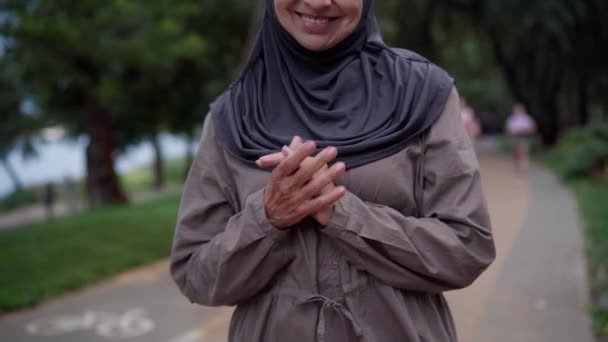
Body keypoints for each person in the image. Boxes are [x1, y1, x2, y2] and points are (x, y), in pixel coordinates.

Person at [170, 1, 496, 341]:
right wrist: (268, 218)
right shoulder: (234, 116)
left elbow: (468, 248)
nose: (319, 1)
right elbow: (195, 274)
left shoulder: (421, 93)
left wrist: (343, 214)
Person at [506, 102, 536, 172]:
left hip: (523, 137)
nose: (518, 111)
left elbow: (532, 128)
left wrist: (525, 130)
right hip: (515, 137)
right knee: (516, 152)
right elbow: (508, 129)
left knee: (524, 151)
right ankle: (517, 166)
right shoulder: (511, 119)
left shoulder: (527, 118)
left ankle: (524, 166)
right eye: (516, 109)